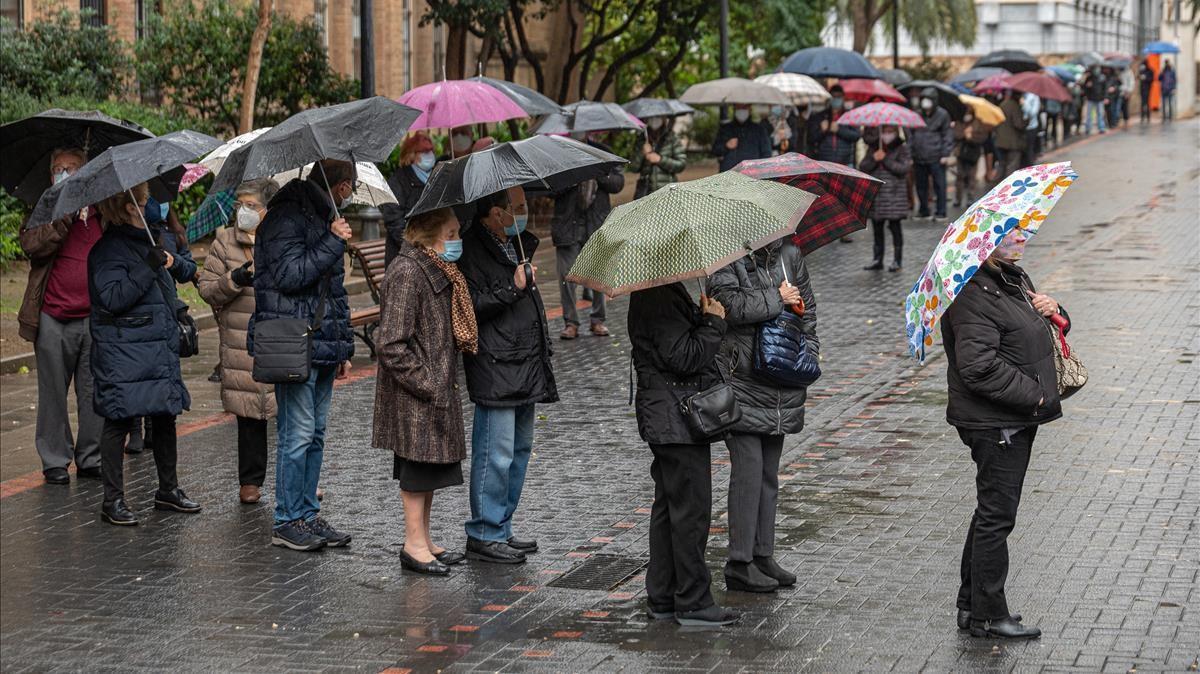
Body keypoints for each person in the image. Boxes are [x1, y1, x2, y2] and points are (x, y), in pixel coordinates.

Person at [940, 230, 1067, 640]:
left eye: (1023, 229)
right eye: (1008, 233)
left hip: (1011, 417)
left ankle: (969, 606)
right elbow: (977, 366)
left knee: (989, 511)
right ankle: (990, 615)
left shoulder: (1011, 278)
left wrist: (1055, 309)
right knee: (997, 517)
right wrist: (1036, 396)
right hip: (996, 422)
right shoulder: (971, 294)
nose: (1021, 237)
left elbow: (1030, 335)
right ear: (982, 242)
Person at [249, 159, 356, 551]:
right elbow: (289, 275)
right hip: (294, 341)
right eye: (351, 190)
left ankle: (307, 513)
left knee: (315, 433)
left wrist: (344, 345)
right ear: (341, 186)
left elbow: (335, 293)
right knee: (296, 434)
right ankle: (286, 519)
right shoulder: (286, 216)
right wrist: (331, 241)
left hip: (321, 341)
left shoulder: (322, 215)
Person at [707, 237, 818, 595]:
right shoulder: (727, 254)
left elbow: (809, 312)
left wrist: (809, 351)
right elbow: (730, 306)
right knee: (749, 471)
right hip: (742, 379)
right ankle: (739, 562)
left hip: (783, 375)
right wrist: (777, 299)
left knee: (769, 473)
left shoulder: (790, 254)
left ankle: (763, 553)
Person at [87, 183, 200, 525]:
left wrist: (173, 262)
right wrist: (147, 266)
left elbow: (183, 271)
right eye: (144, 199)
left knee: (165, 414)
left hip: (156, 346)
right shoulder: (107, 250)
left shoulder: (154, 238)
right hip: (125, 350)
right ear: (127, 208)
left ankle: (168, 490)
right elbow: (113, 298)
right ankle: (113, 500)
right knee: (119, 418)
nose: (152, 204)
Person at [628, 281, 739, 627]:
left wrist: (699, 316)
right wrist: (712, 322)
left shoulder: (658, 288)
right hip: (674, 419)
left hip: (667, 417)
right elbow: (684, 356)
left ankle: (662, 595)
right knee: (690, 513)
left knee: (670, 509)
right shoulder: (657, 293)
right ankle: (692, 600)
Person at [457, 186, 558, 564]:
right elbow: (472, 307)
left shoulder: (515, 246)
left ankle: (502, 526)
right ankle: (484, 531)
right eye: (516, 207)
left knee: (519, 451)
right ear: (495, 213)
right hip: (496, 364)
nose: (524, 212)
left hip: (525, 361)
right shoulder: (471, 249)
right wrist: (513, 288)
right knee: (495, 453)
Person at [373, 207, 476, 576]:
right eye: (452, 232)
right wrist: (429, 383)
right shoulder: (407, 272)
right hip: (414, 394)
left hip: (431, 389)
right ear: (431, 236)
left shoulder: (436, 268)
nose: (457, 239)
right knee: (416, 469)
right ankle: (413, 543)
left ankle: (424, 539)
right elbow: (390, 344)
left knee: (429, 468)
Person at [17, 147, 104, 485]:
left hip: (93, 318)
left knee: (93, 392)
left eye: (71, 167)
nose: (64, 173)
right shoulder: (44, 208)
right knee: (52, 394)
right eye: (58, 168)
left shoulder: (103, 210)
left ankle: (91, 457)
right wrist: (62, 217)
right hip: (52, 317)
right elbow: (31, 246)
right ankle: (55, 459)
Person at [197, 178, 280, 505]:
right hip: (241, 338)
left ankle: (295, 477)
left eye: (252, 205)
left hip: (278, 333)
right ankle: (250, 481)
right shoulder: (224, 242)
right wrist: (236, 279)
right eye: (240, 205)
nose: (244, 212)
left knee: (288, 411)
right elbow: (207, 289)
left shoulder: (280, 237)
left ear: (267, 210)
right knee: (249, 413)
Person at [551, 132, 624, 340]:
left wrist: (597, 172)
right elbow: (550, 187)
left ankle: (598, 319)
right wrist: (573, 175)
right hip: (567, 225)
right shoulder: (557, 154)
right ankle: (570, 322)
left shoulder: (603, 152)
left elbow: (617, 183)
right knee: (566, 275)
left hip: (596, 223)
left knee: (598, 273)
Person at [859, 125, 913, 271]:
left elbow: (904, 169)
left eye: (890, 132)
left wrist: (886, 160)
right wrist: (874, 159)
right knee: (877, 230)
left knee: (895, 229)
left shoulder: (902, 148)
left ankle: (897, 260)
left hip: (895, 197)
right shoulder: (875, 147)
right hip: (877, 198)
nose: (887, 135)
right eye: (885, 132)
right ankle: (877, 259)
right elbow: (863, 166)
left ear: (896, 133)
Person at [383, 132, 437, 267]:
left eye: (431, 150)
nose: (429, 154)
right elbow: (394, 221)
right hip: (406, 257)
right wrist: (416, 248)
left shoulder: (438, 176)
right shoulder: (398, 180)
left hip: (435, 252)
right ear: (412, 154)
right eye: (424, 151)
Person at [909, 87, 954, 220]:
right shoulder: (917, 115)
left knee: (939, 185)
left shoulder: (943, 115)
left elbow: (947, 135)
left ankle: (941, 211)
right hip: (919, 156)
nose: (925, 103)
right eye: (923, 100)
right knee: (920, 185)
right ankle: (924, 210)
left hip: (937, 156)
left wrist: (945, 154)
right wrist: (910, 153)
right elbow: (910, 135)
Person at [630, 116, 686, 198]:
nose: (654, 120)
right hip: (645, 193)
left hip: (667, 192)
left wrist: (660, 159)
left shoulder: (672, 138)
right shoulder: (641, 139)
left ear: (663, 118)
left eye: (658, 116)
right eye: (651, 117)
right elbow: (633, 168)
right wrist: (642, 153)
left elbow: (681, 164)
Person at [808, 86, 860, 168]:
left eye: (838, 97)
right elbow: (812, 138)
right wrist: (822, 130)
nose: (836, 99)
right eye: (833, 96)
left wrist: (839, 130)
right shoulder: (820, 116)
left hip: (845, 163)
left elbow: (856, 136)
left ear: (843, 98)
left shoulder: (849, 116)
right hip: (824, 163)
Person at [711, 104, 772, 172]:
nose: (741, 110)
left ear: (750, 109)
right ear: (734, 109)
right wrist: (726, 146)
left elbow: (766, 154)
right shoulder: (725, 129)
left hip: (752, 174)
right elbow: (715, 150)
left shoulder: (759, 129)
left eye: (744, 107)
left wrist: (759, 170)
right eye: (738, 107)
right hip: (728, 174)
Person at [952, 112, 988, 207]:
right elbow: (955, 134)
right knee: (960, 176)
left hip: (973, 153)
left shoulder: (979, 123)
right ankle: (958, 198)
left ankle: (970, 197)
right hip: (961, 152)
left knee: (971, 176)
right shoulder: (959, 121)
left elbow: (983, 138)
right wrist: (964, 133)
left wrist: (971, 137)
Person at [994, 91, 1027, 179]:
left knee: (1002, 164)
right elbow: (1018, 124)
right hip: (1012, 142)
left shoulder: (1003, 104)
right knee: (1012, 166)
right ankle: (1009, 185)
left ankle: (998, 185)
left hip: (1000, 140)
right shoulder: (1015, 106)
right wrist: (1026, 121)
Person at [1081, 66, 1107, 135]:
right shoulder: (1089, 78)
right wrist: (1087, 86)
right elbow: (1084, 88)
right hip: (1091, 98)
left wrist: (1105, 97)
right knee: (1089, 114)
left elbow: (1105, 88)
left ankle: (1101, 128)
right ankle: (1088, 128)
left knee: (1100, 114)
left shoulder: (1102, 77)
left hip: (1099, 99)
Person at [1020, 92, 1041, 168]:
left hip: (1031, 127)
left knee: (1029, 148)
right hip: (1021, 126)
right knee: (1022, 149)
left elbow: (1033, 113)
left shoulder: (1034, 97)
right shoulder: (1020, 95)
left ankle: (1030, 167)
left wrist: (1024, 104)